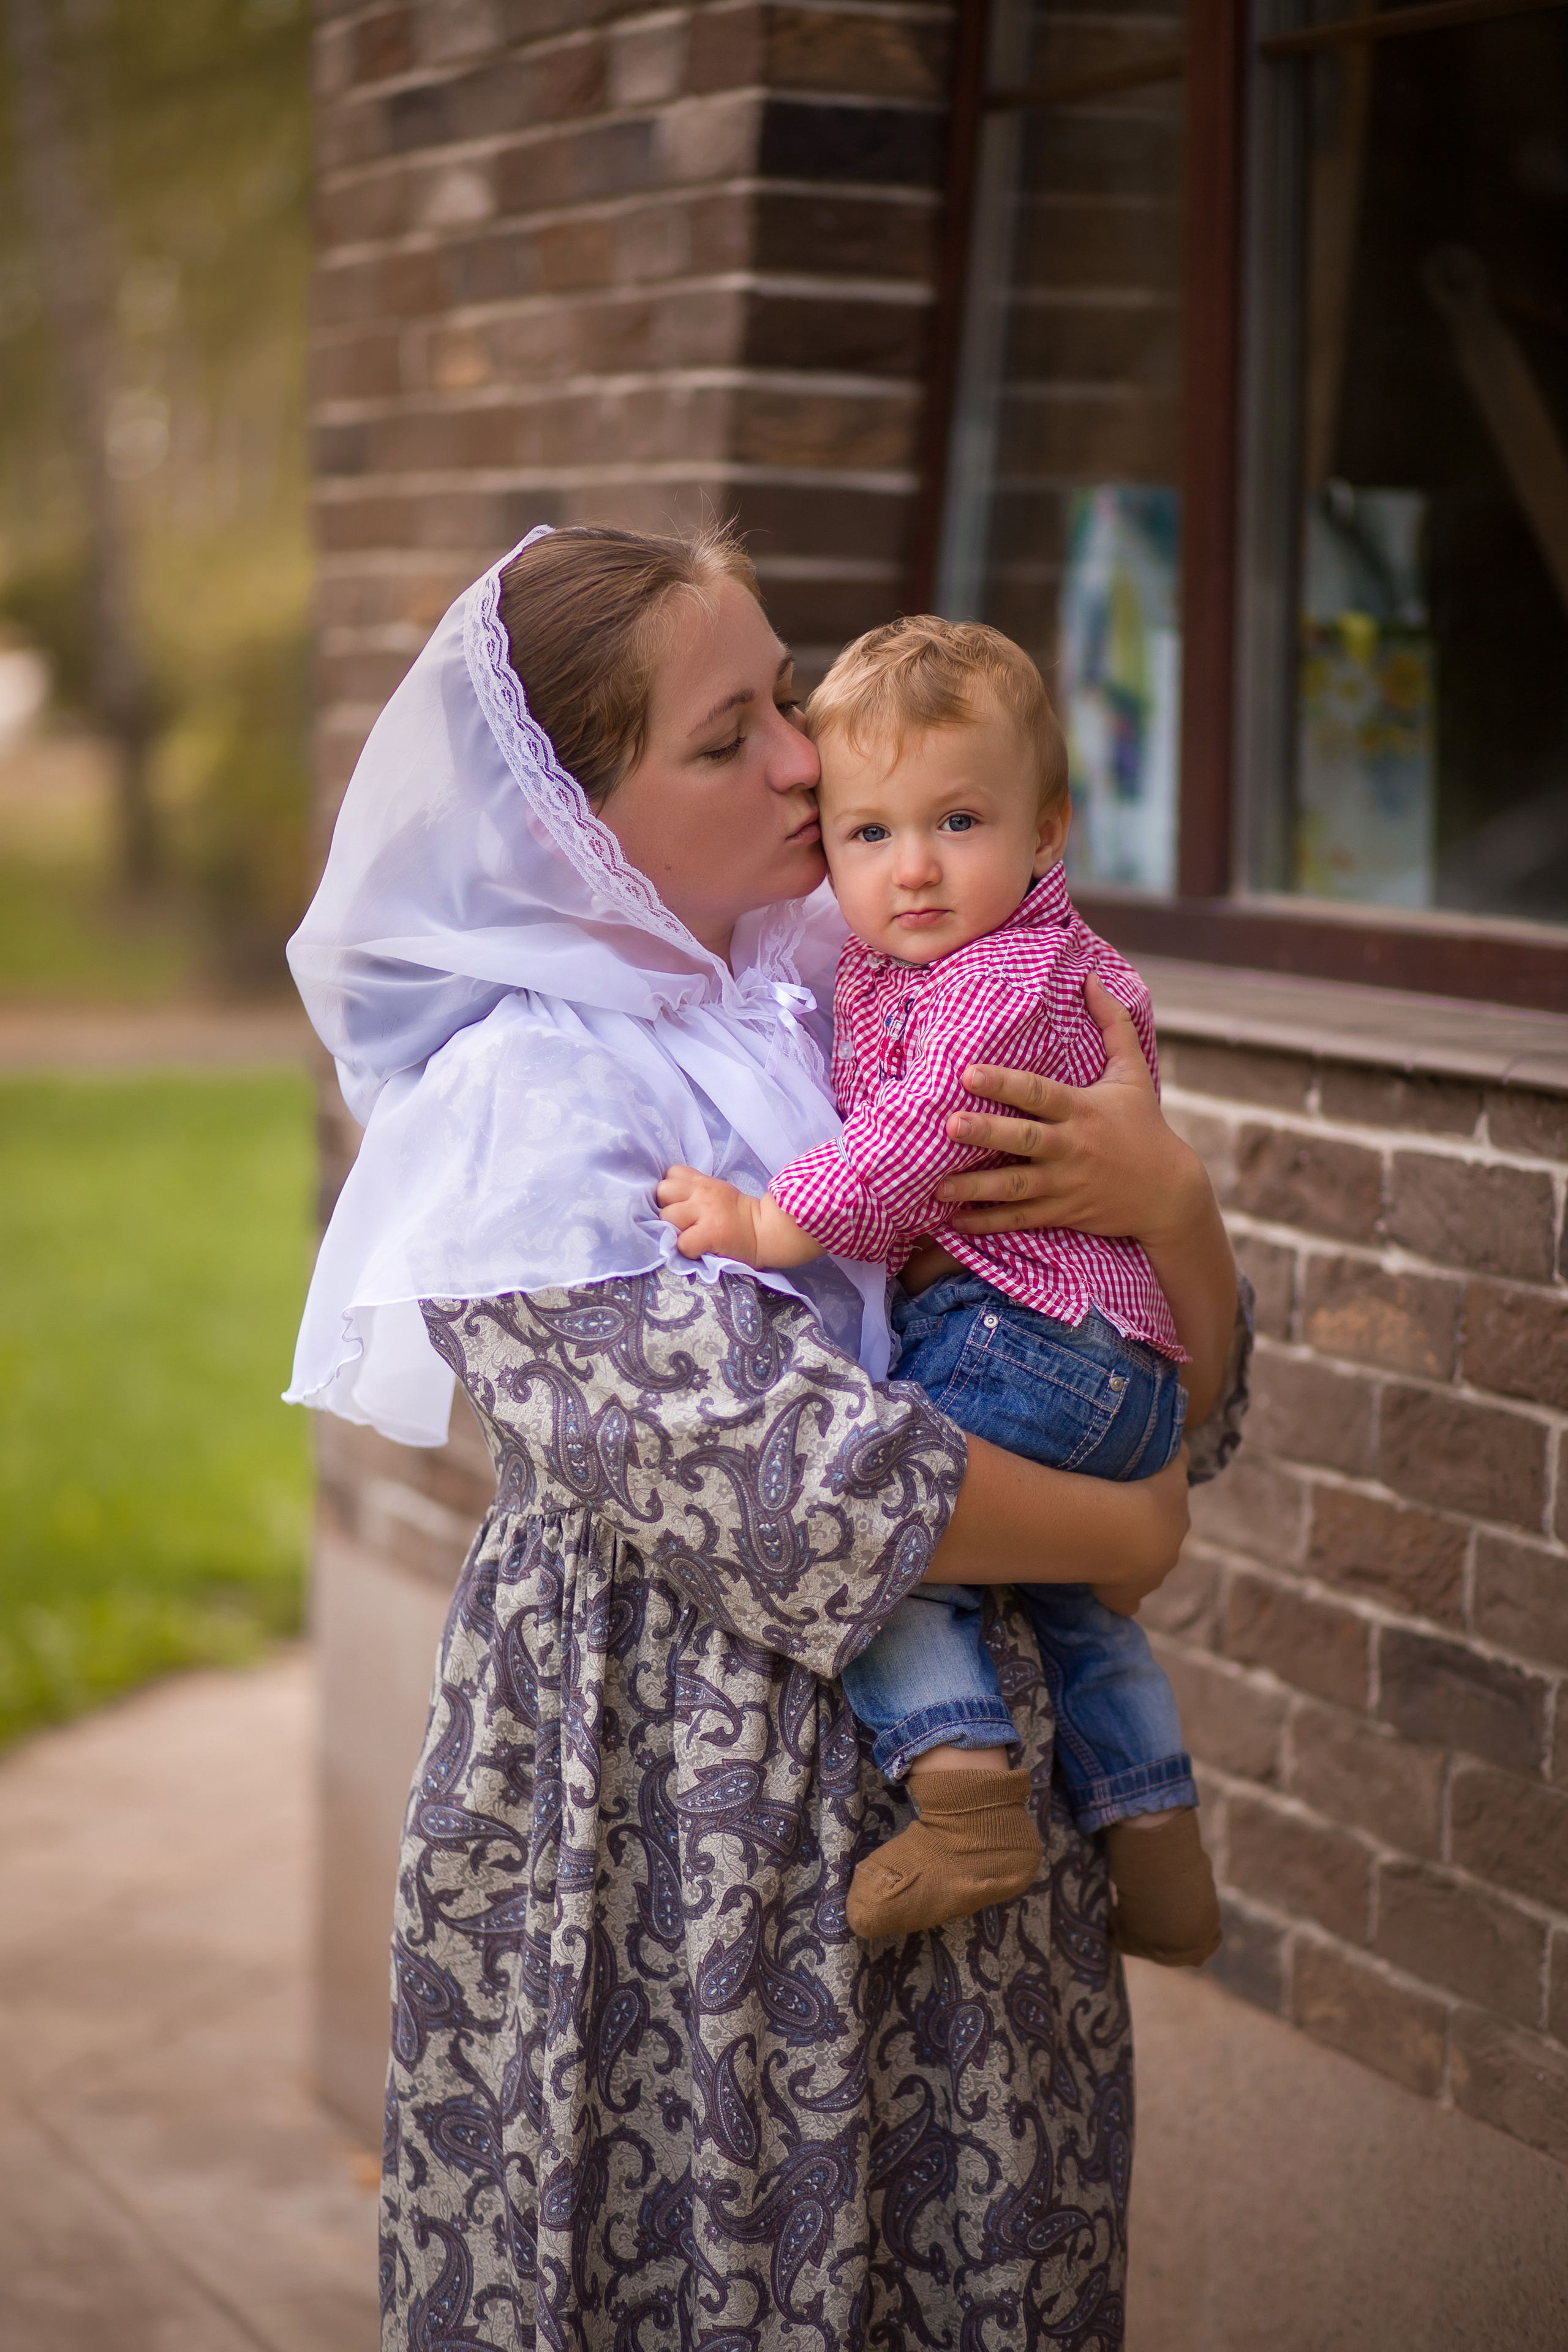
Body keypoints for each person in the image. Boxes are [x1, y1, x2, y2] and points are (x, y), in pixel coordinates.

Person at [285, 521, 1249, 2352]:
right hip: (687, 1829)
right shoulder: (523, 1112)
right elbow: (797, 1491)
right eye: (729, 742)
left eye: (787, 701)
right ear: (573, 821)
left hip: (979, 1836)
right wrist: (1124, 1538)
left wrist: (1173, 1202)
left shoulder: (882, 984)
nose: (814, 765)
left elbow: (1178, 1369)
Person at [657, 617, 1223, 1963]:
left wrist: (764, 1217)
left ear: (1046, 832)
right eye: (867, 835)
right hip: (1108, 1356)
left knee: (892, 1552)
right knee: (1069, 1601)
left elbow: (914, 1141)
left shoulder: (1001, 974)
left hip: (1027, 1336)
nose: (910, 869)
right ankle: (1155, 1838)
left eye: (956, 820)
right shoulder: (914, 955)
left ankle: (963, 1796)